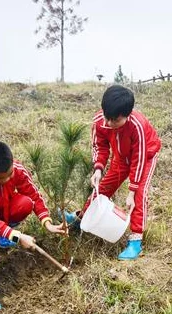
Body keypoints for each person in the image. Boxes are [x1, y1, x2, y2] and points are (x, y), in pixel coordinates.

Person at [0, 141, 66, 313]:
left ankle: (4, 235)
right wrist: (17, 237)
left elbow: (34, 195)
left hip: (3, 207)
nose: (7, 180)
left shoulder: (17, 169)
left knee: (25, 203)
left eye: (9, 174)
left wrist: (47, 222)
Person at [66, 85, 161, 260]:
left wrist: (131, 191)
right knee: (102, 189)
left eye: (115, 120)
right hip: (120, 157)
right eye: (107, 117)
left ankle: (135, 242)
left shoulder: (136, 126)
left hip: (145, 157)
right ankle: (80, 219)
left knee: (139, 195)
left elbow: (138, 159)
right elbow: (100, 147)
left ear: (128, 114)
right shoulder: (100, 121)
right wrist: (98, 169)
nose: (109, 123)